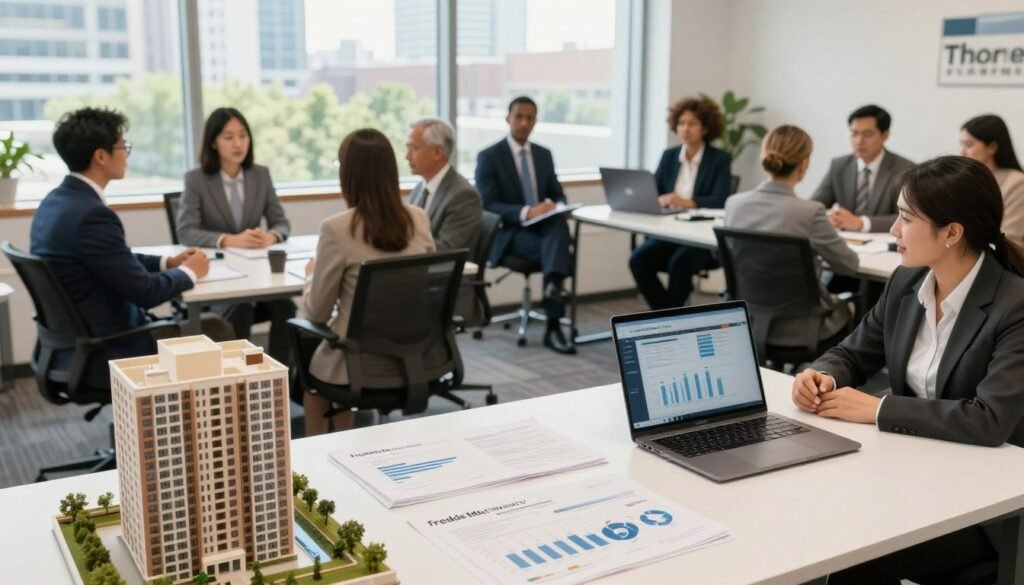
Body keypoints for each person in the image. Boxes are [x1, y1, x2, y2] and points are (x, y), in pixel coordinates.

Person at [792, 156, 1024, 583]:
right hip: (914, 473)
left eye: (905, 219)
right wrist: (820, 374)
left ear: (952, 233)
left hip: (986, 505)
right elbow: (852, 354)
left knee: (850, 551)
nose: (894, 231)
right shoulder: (906, 282)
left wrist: (878, 409)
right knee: (811, 514)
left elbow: (989, 420)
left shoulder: (1014, 305)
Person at [30, 107, 232, 388]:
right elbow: (146, 292)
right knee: (216, 329)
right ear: (101, 156)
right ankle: (203, 429)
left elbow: (114, 259)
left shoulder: (56, 202)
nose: (126, 153)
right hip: (113, 349)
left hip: (74, 345)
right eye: (123, 146)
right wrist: (190, 272)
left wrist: (168, 263)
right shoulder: (91, 215)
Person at [302, 128, 435, 436]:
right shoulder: (419, 219)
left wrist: (311, 277)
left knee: (311, 380)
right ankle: (350, 447)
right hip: (414, 360)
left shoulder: (336, 229)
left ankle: (314, 465)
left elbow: (317, 314)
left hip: (357, 364)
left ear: (348, 174)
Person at [724, 125, 858, 348]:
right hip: (804, 328)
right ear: (804, 164)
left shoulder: (734, 204)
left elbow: (723, 257)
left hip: (746, 320)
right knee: (846, 306)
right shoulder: (810, 212)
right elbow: (850, 265)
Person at [177, 107, 295, 361]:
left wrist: (270, 237)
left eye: (243, 136)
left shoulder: (260, 175)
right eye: (228, 137)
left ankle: (279, 375)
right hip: (218, 278)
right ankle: (237, 379)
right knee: (240, 307)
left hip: (256, 275)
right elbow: (186, 231)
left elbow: (282, 223)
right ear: (213, 142)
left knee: (286, 305)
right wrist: (229, 240)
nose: (238, 144)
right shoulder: (196, 179)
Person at [475, 96, 575, 354]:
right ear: (508, 118)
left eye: (529, 118)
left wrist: (558, 206)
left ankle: (552, 292)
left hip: (543, 228)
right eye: (518, 117)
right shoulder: (489, 156)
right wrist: (527, 211)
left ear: (535, 121)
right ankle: (554, 318)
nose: (524, 123)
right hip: (510, 233)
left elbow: (557, 192)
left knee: (558, 227)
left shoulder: (543, 155)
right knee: (559, 248)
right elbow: (487, 205)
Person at [629, 96, 733, 309]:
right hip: (669, 231)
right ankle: (667, 316)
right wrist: (660, 199)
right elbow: (654, 190)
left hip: (700, 237)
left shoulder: (719, 159)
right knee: (638, 260)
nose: (685, 129)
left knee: (679, 265)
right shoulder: (669, 156)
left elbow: (721, 199)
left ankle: (669, 322)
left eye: (692, 123)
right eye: (682, 123)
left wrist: (686, 202)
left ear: (705, 128)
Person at [812, 104, 915, 233]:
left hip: (885, 243)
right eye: (854, 133)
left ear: (885, 136)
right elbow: (815, 206)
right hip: (846, 241)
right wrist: (830, 217)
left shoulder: (905, 169)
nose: (859, 141)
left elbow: (909, 217)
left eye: (867, 134)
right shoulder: (839, 166)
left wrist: (861, 223)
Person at [406, 117, 481, 251]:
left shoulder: (463, 195)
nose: (407, 156)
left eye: (414, 148)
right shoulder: (420, 187)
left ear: (437, 152)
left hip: (440, 269)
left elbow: (447, 249)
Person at [960, 114, 1024, 247]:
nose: (962, 152)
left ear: (992, 147)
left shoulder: (1017, 183)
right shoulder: (966, 180)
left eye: (969, 145)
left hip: (1000, 260)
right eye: (961, 144)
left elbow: (1011, 238)